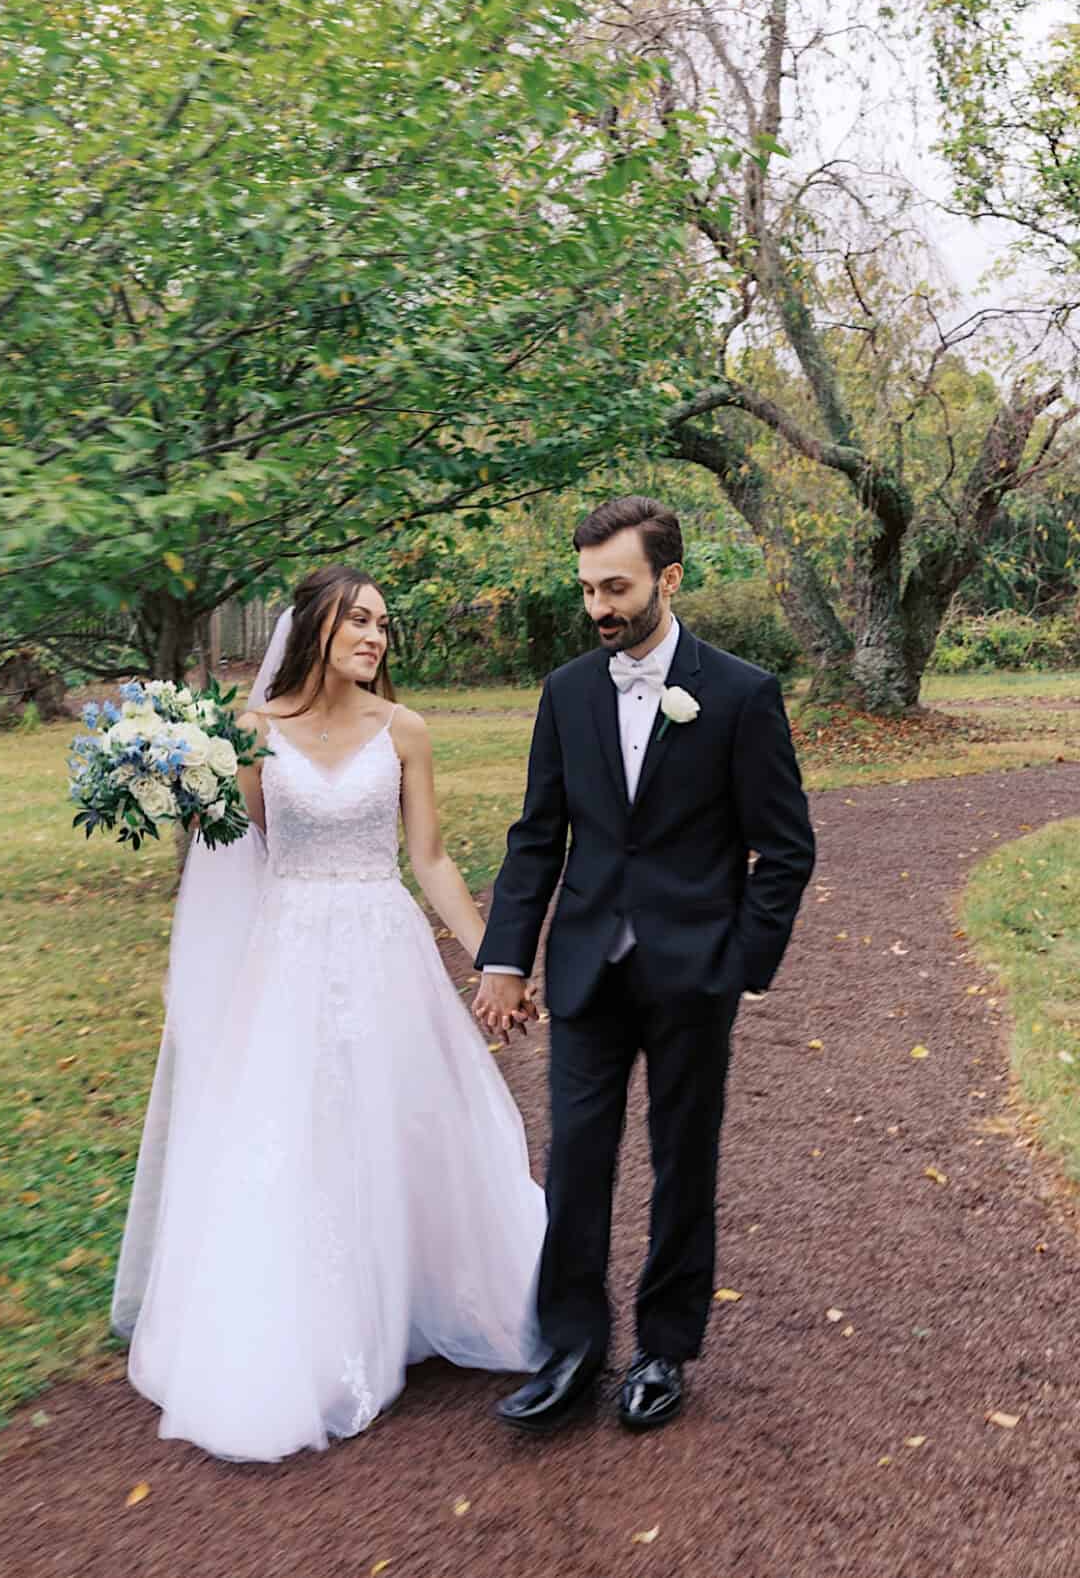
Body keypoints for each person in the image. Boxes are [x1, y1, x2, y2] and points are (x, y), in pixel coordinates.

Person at [112, 565, 548, 1461]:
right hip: (288, 953)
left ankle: (413, 1296)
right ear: (313, 626)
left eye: (383, 625)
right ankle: (315, 1322)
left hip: (382, 945)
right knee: (298, 1129)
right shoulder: (250, 732)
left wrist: (491, 956)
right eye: (358, 621)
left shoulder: (408, 732)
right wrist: (182, 791)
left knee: (403, 1119)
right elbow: (237, 852)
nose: (375, 638)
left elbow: (427, 859)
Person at [475, 496, 817, 1434]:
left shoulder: (741, 694)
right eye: (587, 588)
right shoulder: (567, 692)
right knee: (577, 1160)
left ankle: (664, 1347)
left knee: (682, 1161)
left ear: (668, 579)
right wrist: (507, 955)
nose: (599, 607)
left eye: (616, 586)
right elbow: (538, 835)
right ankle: (573, 1347)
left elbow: (785, 848)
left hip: (693, 972)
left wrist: (741, 962)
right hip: (587, 966)